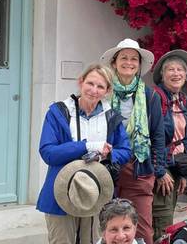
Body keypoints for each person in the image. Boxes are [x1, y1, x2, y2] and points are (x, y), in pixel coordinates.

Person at [37, 64, 132, 243]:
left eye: (100, 86)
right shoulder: (59, 112)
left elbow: (125, 150)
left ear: (107, 91)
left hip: (96, 193)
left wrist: (108, 154)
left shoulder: (111, 116)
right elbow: (48, 152)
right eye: (90, 83)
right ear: (81, 82)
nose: (94, 90)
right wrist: (87, 146)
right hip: (61, 192)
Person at [101, 39, 166, 243]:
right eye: (123, 58)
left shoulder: (150, 96)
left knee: (142, 231)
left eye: (133, 59)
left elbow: (158, 136)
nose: (128, 62)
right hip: (109, 166)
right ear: (114, 62)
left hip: (139, 167)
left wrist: (158, 170)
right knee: (109, 228)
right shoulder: (104, 93)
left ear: (139, 65)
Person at [151, 49, 187, 240]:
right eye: (171, 69)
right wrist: (160, 171)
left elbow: (184, 136)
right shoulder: (156, 97)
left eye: (180, 70)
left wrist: (184, 172)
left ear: (186, 76)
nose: (176, 73)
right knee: (162, 220)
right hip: (162, 166)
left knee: (169, 216)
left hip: (176, 165)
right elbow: (154, 137)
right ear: (162, 74)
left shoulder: (183, 100)